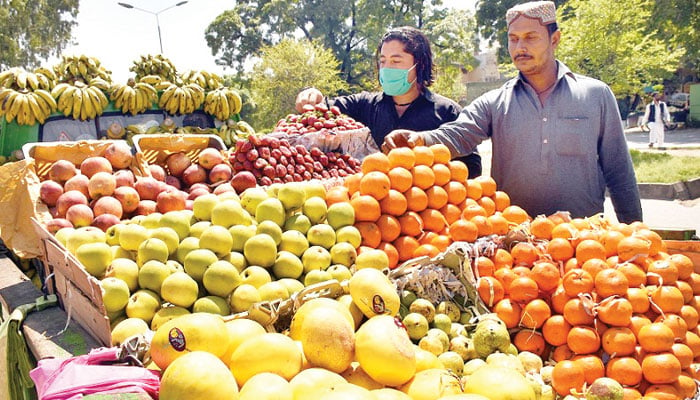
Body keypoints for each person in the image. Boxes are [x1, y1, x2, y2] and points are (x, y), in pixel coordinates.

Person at [382, 1, 642, 224]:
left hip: (584, 245)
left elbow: (619, 171)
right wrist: (419, 139)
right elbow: (459, 134)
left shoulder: (595, 95)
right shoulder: (495, 102)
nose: (520, 47)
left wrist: (636, 234)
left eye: (531, 37)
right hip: (515, 245)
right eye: (513, 38)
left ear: (555, 39)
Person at [295, 26, 482, 178]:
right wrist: (309, 94)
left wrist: (427, 173)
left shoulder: (447, 112)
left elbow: (472, 167)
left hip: (428, 209)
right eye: (383, 61)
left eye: (396, 61)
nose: (386, 68)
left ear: (420, 65)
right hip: (372, 208)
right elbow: (322, 110)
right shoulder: (364, 105)